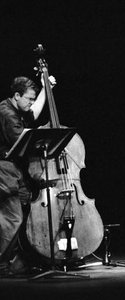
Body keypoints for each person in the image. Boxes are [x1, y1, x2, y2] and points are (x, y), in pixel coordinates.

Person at [0, 75, 56, 275]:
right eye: (29, 99)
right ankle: (1, 265)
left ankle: (9, 262)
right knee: (12, 217)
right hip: (4, 170)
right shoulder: (7, 113)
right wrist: (41, 137)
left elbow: (33, 112)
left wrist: (45, 88)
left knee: (18, 214)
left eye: (33, 99)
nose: (31, 103)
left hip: (12, 170)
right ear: (17, 96)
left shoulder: (16, 108)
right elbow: (20, 145)